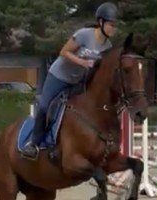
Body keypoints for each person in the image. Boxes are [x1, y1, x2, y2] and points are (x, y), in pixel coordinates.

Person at [23, 2, 119, 159]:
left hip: (78, 81)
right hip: (59, 76)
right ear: (101, 22)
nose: (113, 28)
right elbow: (64, 52)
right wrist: (83, 62)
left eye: (115, 25)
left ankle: (65, 145)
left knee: (75, 110)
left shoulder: (107, 45)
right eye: (111, 24)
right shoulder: (84, 35)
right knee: (45, 107)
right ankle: (34, 143)